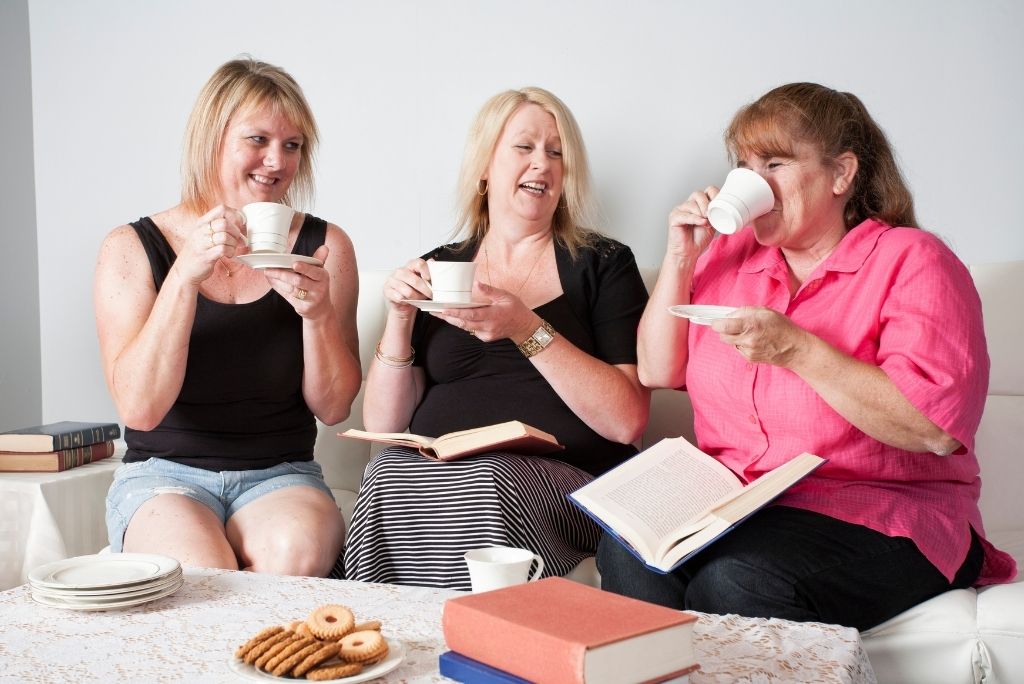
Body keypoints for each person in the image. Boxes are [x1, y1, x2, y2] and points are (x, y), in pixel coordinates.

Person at [599, 82, 1017, 630]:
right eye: (745, 165)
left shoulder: (914, 261)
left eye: (774, 162)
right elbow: (657, 370)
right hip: (743, 508)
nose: (752, 181)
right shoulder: (731, 258)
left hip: (885, 515)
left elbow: (932, 429)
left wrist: (799, 350)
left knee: (736, 579)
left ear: (842, 174)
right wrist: (680, 256)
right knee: (629, 557)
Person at [342, 87, 650, 589]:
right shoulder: (440, 267)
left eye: (556, 153)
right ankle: (389, 629)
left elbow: (627, 422)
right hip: (441, 470)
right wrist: (399, 317)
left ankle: (486, 636)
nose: (543, 164)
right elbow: (384, 425)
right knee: (386, 473)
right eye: (524, 147)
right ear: (485, 165)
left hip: (569, 483)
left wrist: (525, 328)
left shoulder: (604, 265)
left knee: (492, 478)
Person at [94, 57, 361, 576]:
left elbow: (333, 408)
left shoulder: (325, 246)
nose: (276, 162)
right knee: (200, 575)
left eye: (292, 145)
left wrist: (319, 315)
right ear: (211, 139)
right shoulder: (130, 247)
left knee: (294, 556)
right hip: (162, 476)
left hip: (281, 472)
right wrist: (185, 275)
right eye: (257, 140)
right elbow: (140, 410)